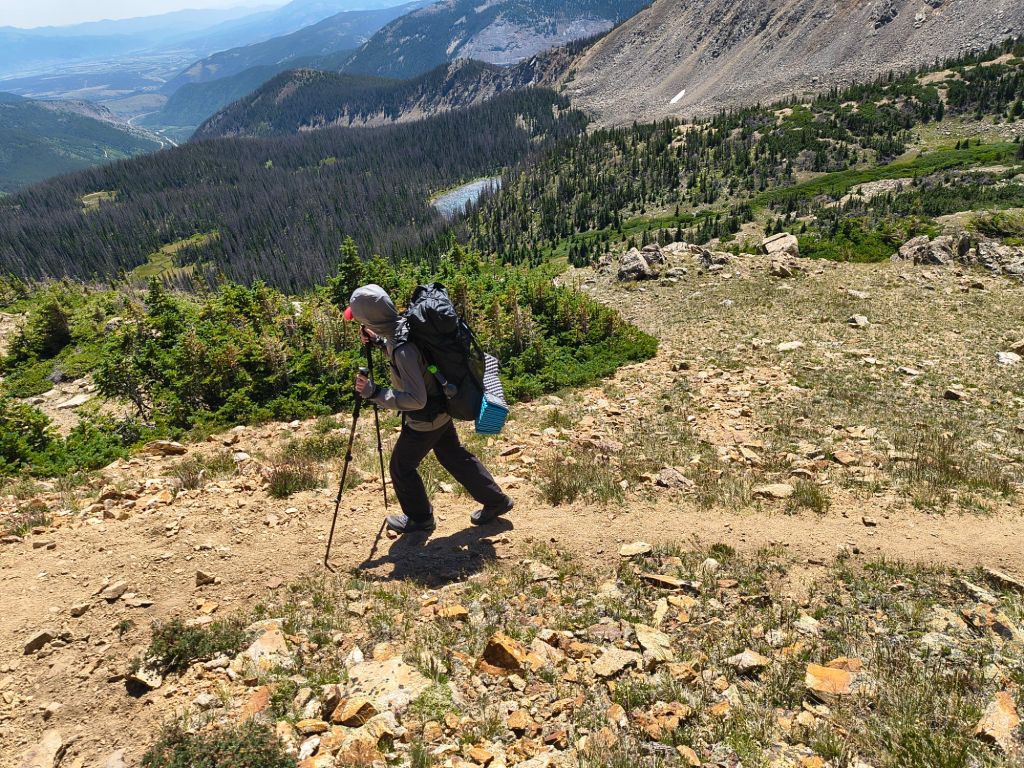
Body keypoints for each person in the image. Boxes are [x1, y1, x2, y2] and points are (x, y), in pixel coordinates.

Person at [344, 284, 514, 535]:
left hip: (426, 419)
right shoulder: (404, 325)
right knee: (452, 455)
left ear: (371, 319)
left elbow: (416, 399)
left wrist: (375, 392)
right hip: (442, 408)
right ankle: (496, 501)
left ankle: (420, 518)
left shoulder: (402, 349)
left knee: (401, 467)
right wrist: (378, 341)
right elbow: (411, 353)